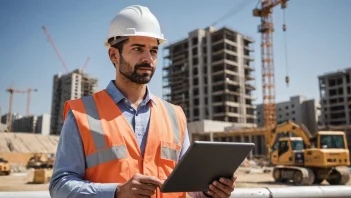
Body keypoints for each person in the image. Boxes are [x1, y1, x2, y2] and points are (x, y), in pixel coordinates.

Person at [49, 5, 237, 198]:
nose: (148, 58)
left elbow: (188, 187)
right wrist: (117, 192)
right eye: (138, 49)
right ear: (114, 55)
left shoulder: (175, 115)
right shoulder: (82, 113)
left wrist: (209, 191)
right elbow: (59, 186)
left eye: (153, 51)